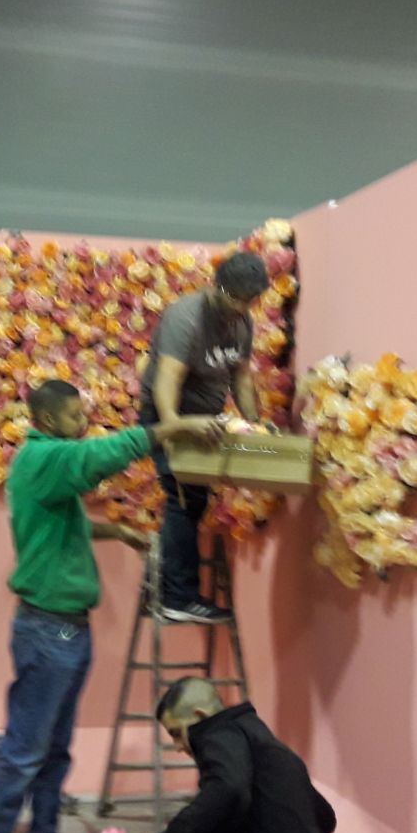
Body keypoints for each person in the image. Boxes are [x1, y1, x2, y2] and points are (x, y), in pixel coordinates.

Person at [0, 380, 223, 833]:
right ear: (46, 421)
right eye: (73, 417)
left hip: (63, 630)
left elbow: (59, 521)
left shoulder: (43, 468)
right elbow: (97, 458)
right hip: (49, 631)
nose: (82, 425)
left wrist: (115, 531)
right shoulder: (45, 457)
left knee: (55, 751)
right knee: (25, 752)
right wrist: (173, 428)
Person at [139, 251, 272, 624]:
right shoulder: (186, 318)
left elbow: (241, 378)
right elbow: (168, 380)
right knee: (182, 499)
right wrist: (173, 428)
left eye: (251, 301)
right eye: (237, 299)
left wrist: (257, 425)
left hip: (206, 419)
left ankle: (167, 587)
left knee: (193, 502)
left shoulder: (242, 321)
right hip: (170, 412)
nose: (243, 307)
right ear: (217, 288)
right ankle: (176, 599)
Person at [134, 678, 336, 833]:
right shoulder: (263, 742)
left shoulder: (219, 733)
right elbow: (324, 818)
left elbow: (227, 789)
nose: (178, 746)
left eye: (177, 733)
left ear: (200, 717)